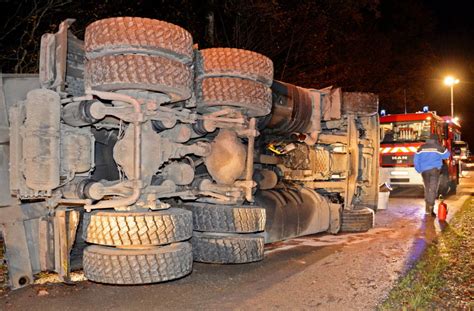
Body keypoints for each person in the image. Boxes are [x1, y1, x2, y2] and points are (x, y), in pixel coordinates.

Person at [414, 133, 450, 215]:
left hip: (424, 171)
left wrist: (419, 169)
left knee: (427, 188)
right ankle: (431, 207)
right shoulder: (438, 147)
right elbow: (447, 155)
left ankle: (427, 208)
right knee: (433, 189)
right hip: (435, 170)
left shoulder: (421, 147)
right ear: (436, 140)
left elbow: (416, 160)